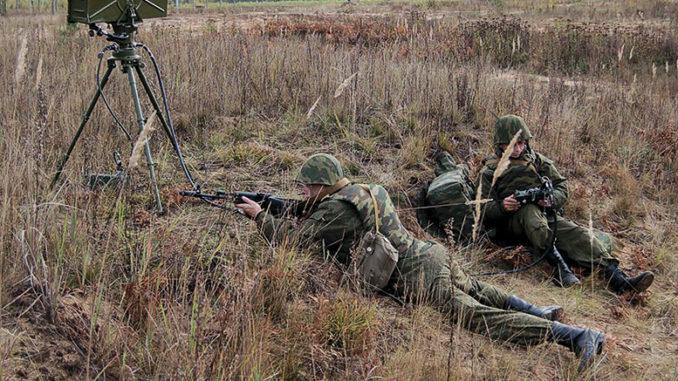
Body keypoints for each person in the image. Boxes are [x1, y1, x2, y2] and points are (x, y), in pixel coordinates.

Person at [236, 153, 605, 371]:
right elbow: (314, 213)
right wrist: (283, 205)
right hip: (430, 253)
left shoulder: (337, 211)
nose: (302, 191)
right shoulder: (364, 191)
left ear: (321, 185)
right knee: (474, 288)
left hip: (418, 277)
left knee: (476, 315)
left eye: (306, 186)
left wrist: (258, 215)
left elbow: (294, 240)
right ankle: (537, 310)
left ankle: (573, 337)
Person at [475, 114, 654, 292]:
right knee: (530, 213)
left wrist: (551, 200)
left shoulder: (537, 161)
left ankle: (619, 280)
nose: (518, 148)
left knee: (579, 235)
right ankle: (561, 268)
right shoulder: (490, 170)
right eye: (513, 144)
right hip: (511, 225)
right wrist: (502, 207)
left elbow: (561, 186)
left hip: (544, 216)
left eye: (522, 143)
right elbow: (479, 206)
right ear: (500, 143)